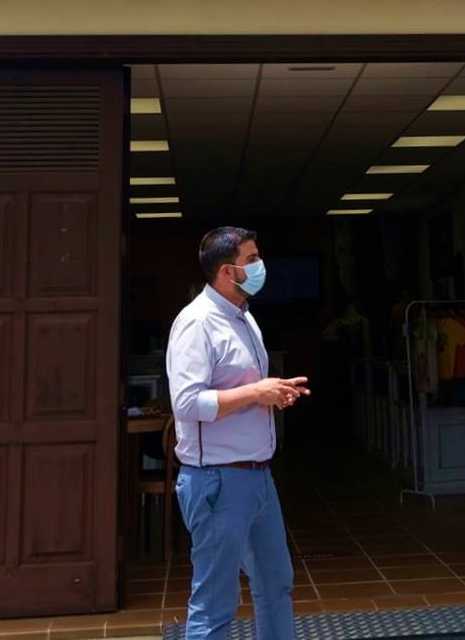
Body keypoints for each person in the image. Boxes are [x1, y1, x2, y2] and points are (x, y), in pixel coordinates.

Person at [166, 227, 310, 640]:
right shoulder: (196, 323)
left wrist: (272, 395)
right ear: (227, 271)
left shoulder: (244, 317)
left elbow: (242, 390)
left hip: (257, 478)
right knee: (215, 604)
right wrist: (256, 392)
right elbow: (188, 403)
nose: (260, 266)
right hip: (217, 480)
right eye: (252, 259)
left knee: (276, 585)